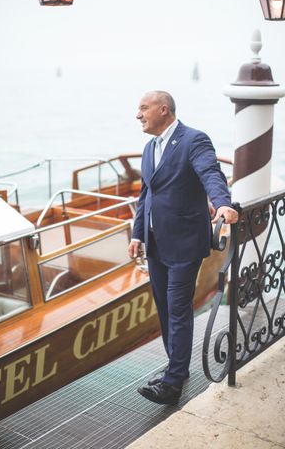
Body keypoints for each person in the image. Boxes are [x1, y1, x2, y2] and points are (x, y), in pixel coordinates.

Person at [128, 90, 238, 405]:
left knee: (178, 310)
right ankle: (176, 365)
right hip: (155, 243)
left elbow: (211, 174)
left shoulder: (194, 140)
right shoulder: (149, 148)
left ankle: (173, 383)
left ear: (164, 110)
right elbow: (144, 195)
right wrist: (137, 235)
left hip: (184, 243)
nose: (138, 114)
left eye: (143, 107)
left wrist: (222, 204)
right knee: (164, 307)